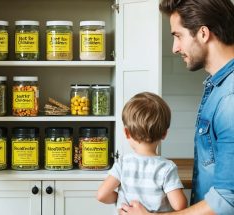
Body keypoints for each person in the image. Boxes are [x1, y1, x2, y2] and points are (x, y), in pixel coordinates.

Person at [119, 0, 234, 214]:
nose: (175, 48)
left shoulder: (230, 96)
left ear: (203, 33)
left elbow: (227, 201)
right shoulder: (218, 85)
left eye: (178, 36)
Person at [97, 92, 187, 214]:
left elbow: (101, 195)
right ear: (164, 134)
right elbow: (180, 206)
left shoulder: (123, 163)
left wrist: (120, 199)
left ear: (127, 133)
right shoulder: (166, 167)